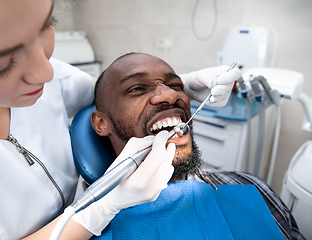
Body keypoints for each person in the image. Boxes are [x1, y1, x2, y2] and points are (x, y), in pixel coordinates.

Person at [0, 1, 241, 239]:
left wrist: (183, 86)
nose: (46, 74)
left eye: (45, 26)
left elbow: (109, 95)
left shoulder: (51, 75)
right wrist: (100, 206)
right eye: (2, 62)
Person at [85, 52, 305, 240]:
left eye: (176, 85)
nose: (171, 95)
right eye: (137, 89)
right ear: (101, 123)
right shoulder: (88, 226)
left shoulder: (253, 186)